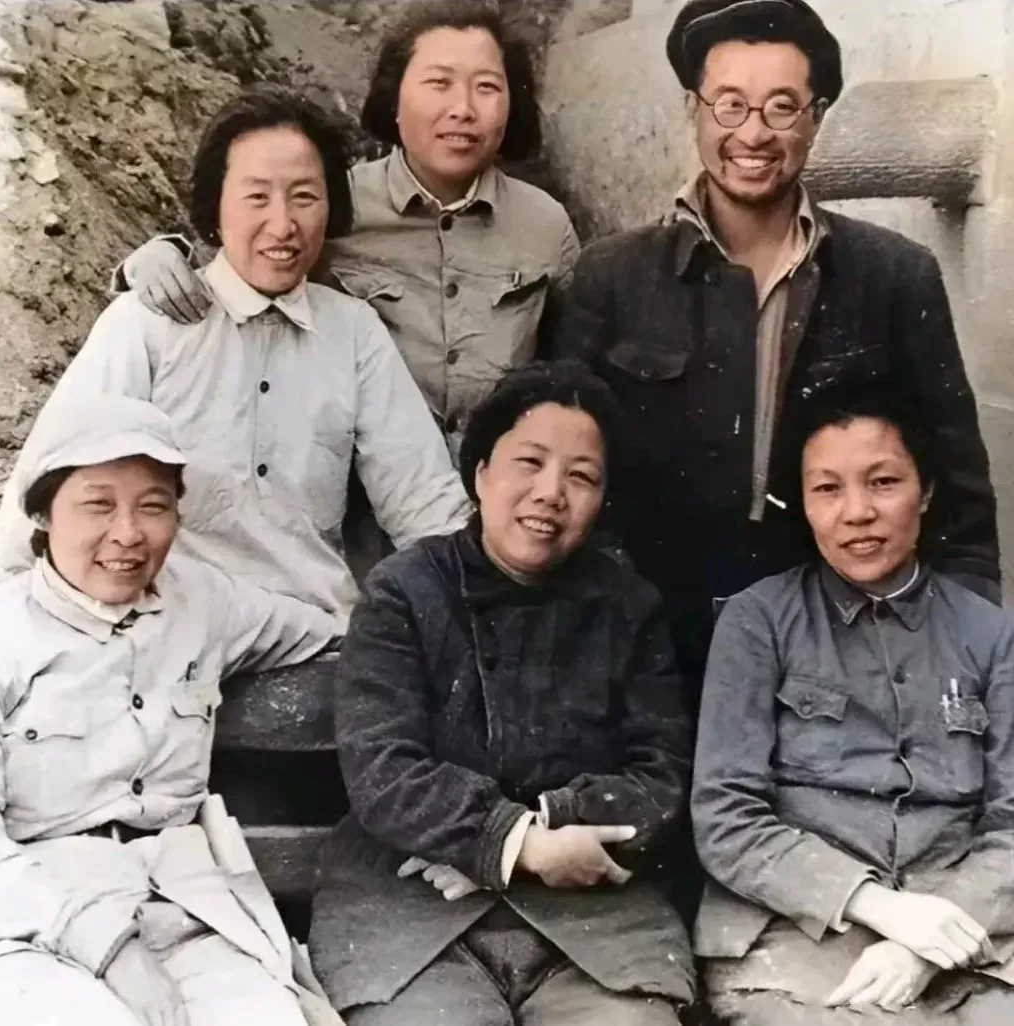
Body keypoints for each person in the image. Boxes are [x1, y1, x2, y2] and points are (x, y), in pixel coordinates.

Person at [551, 0, 1000, 708]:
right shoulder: (613, 276)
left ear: (816, 120)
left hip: (841, 645)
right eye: (729, 104)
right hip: (652, 643)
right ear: (693, 110)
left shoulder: (893, 275)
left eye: (781, 107)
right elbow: (568, 464)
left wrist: (964, 655)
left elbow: (961, 495)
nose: (753, 133)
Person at [0, 87, 469, 623]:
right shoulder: (146, 323)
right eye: (256, 197)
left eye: (304, 196)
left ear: (332, 207)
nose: (283, 224)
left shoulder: (353, 331)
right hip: (164, 629)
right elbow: (40, 486)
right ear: (215, 207)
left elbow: (422, 499)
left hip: (311, 628)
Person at [0, 393, 346, 1026]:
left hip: (192, 911)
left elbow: (336, 632)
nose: (127, 534)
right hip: (27, 927)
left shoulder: (204, 603)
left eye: (153, 506)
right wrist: (107, 947)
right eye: (97, 504)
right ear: (42, 513)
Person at [307, 361, 695, 1026]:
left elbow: (661, 777)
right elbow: (384, 772)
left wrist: (548, 822)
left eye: (581, 477)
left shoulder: (629, 606)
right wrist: (513, 842)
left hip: (590, 929)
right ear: (482, 473)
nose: (550, 493)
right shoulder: (404, 591)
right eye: (529, 463)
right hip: (414, 922)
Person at [119, 0, 579, 459]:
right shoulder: (330, 204)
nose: (463, 108)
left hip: (495, 487)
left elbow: (571, 378)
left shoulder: (545, 225)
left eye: (486, 87)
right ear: (393, 98)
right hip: (353, 487)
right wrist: (157, 257)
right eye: (439, 83)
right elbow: (229, 265)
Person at [692, 383, 1014, 1025]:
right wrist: (881, 908)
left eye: (884, 482)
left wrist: (925, 943)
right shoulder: (758, 622)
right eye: (827, 489)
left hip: (967, 931)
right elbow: (725, 817)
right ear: (803, 503)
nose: (857, 512)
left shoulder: (989, 633)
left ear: (926, 491)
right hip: (794, 939)